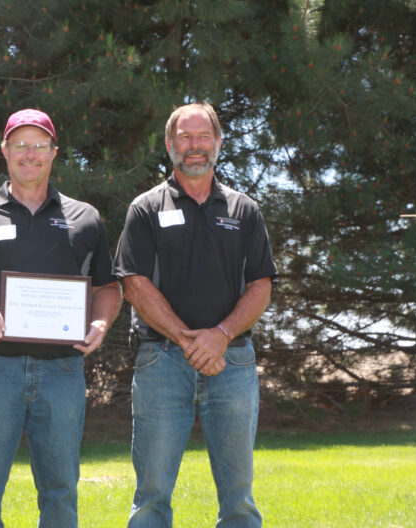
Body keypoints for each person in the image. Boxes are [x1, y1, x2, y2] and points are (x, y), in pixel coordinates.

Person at [0, 108, 122, 528]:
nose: (30, 154)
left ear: (54, 153)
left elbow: (108, 287)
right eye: (20, 144)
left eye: (39, 145)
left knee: (61, 492)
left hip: (63, 371)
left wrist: (100, 323)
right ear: (4, 151)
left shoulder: (86, 218)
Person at [113, 102, 278, 528]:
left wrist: (221, 335)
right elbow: (134, 284)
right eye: (184, 137)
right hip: (161, 361)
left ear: (219, 143)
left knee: (239, 499)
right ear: (169, 145)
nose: (195, 146)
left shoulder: (244, 210)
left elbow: (262, 285)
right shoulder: (146, 209)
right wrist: (191, 340)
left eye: (204, 136)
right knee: (152, 496)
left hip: (233, 362)